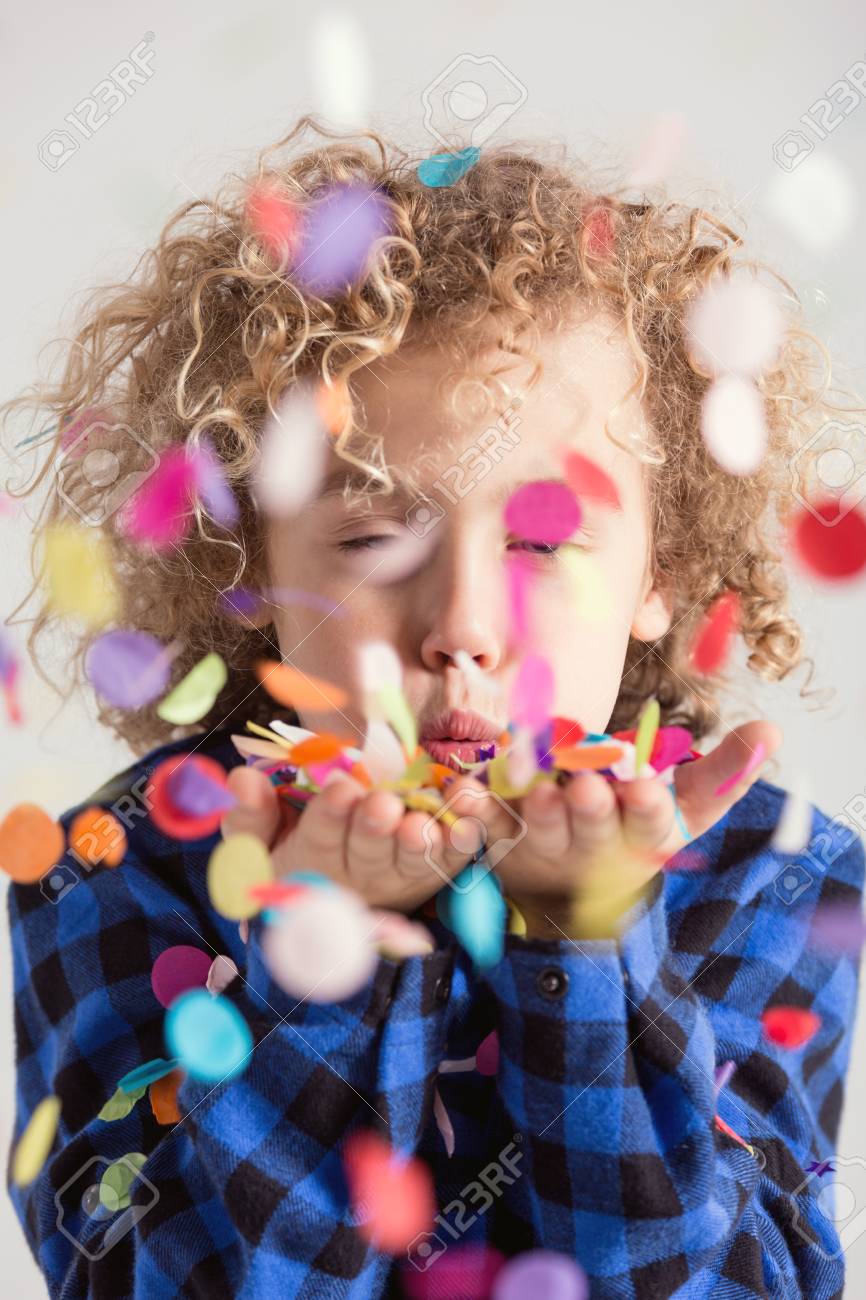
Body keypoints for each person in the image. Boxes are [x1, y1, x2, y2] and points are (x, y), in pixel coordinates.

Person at [4, 116, 864, 1298]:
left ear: (658, 572)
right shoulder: (113, 875)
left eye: (542, 537)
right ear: (249, 563)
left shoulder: (772, 878)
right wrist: (323, 965)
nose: (463, 623)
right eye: (368, 535)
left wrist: (589, 945)